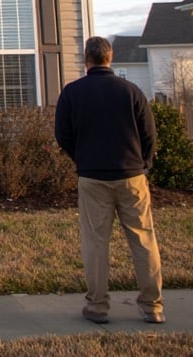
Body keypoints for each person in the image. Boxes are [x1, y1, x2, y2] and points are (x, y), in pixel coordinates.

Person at [54, 35, 164, 325]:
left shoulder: (72, 93)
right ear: (110, 56)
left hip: (92, 177)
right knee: (143, 239)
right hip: (132, 176)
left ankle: (97, 307)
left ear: (86, 59)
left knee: (95, 243)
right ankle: (152, 306)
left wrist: (81, 158)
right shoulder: (131, 91)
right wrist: (144, 163)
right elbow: (149, 133)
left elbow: (62, 134)